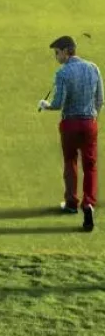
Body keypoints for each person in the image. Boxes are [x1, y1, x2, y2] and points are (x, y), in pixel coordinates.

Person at [38, 35, 104, 232]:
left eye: (57, 53)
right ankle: (89, 204)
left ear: (67, 51)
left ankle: (71, 203)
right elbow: (100, 99)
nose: (56, 57)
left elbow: (58, 103)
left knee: (70, 162)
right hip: (89, 123)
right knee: (90, 165)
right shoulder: (93, 68)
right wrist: (93, 119)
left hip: (70, 125)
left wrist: (45, 105)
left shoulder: (63, 73)